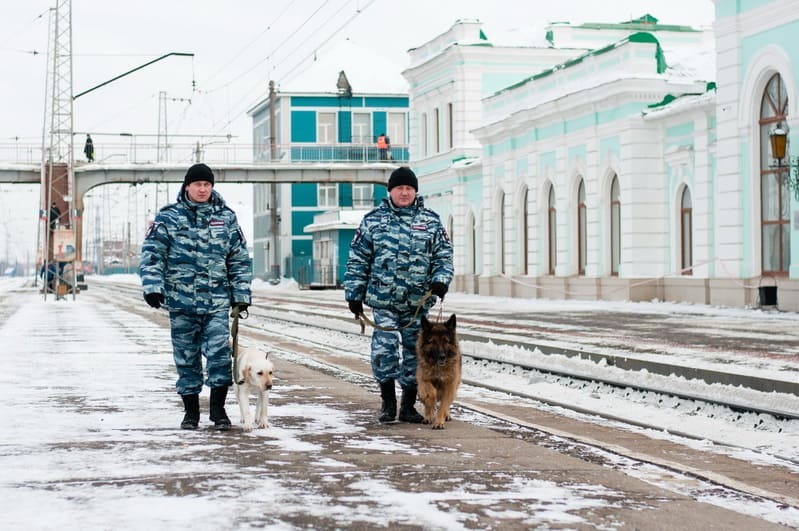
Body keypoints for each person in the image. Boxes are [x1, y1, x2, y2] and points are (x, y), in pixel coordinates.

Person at [139, 163, 252, 431]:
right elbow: (153, 253)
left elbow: (238, 258)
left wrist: (241, 294)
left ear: (212, 187)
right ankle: (191, 414)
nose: (202, 189)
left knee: (220, 357)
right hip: (181, 301)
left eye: (207, 184)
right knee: (186, 358)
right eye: (198, 184)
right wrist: (153, 286)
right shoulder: (169, 218)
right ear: (187, 187)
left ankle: (218, 412)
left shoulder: (226, 218)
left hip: (216, 302)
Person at [344, 166, 454, 423]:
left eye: (409, 188)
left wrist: (440, 281)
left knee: (416, 353)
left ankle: (407, 405)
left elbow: (443, 257)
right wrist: (354, 294)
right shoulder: (373, 221)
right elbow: (358, 260)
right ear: (390, 191)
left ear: (415, 191)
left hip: (418, 303)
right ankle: (387, 402)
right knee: (385, 350)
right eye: (399, 188)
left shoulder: (431, 221)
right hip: (384, 302)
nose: (404, 193)